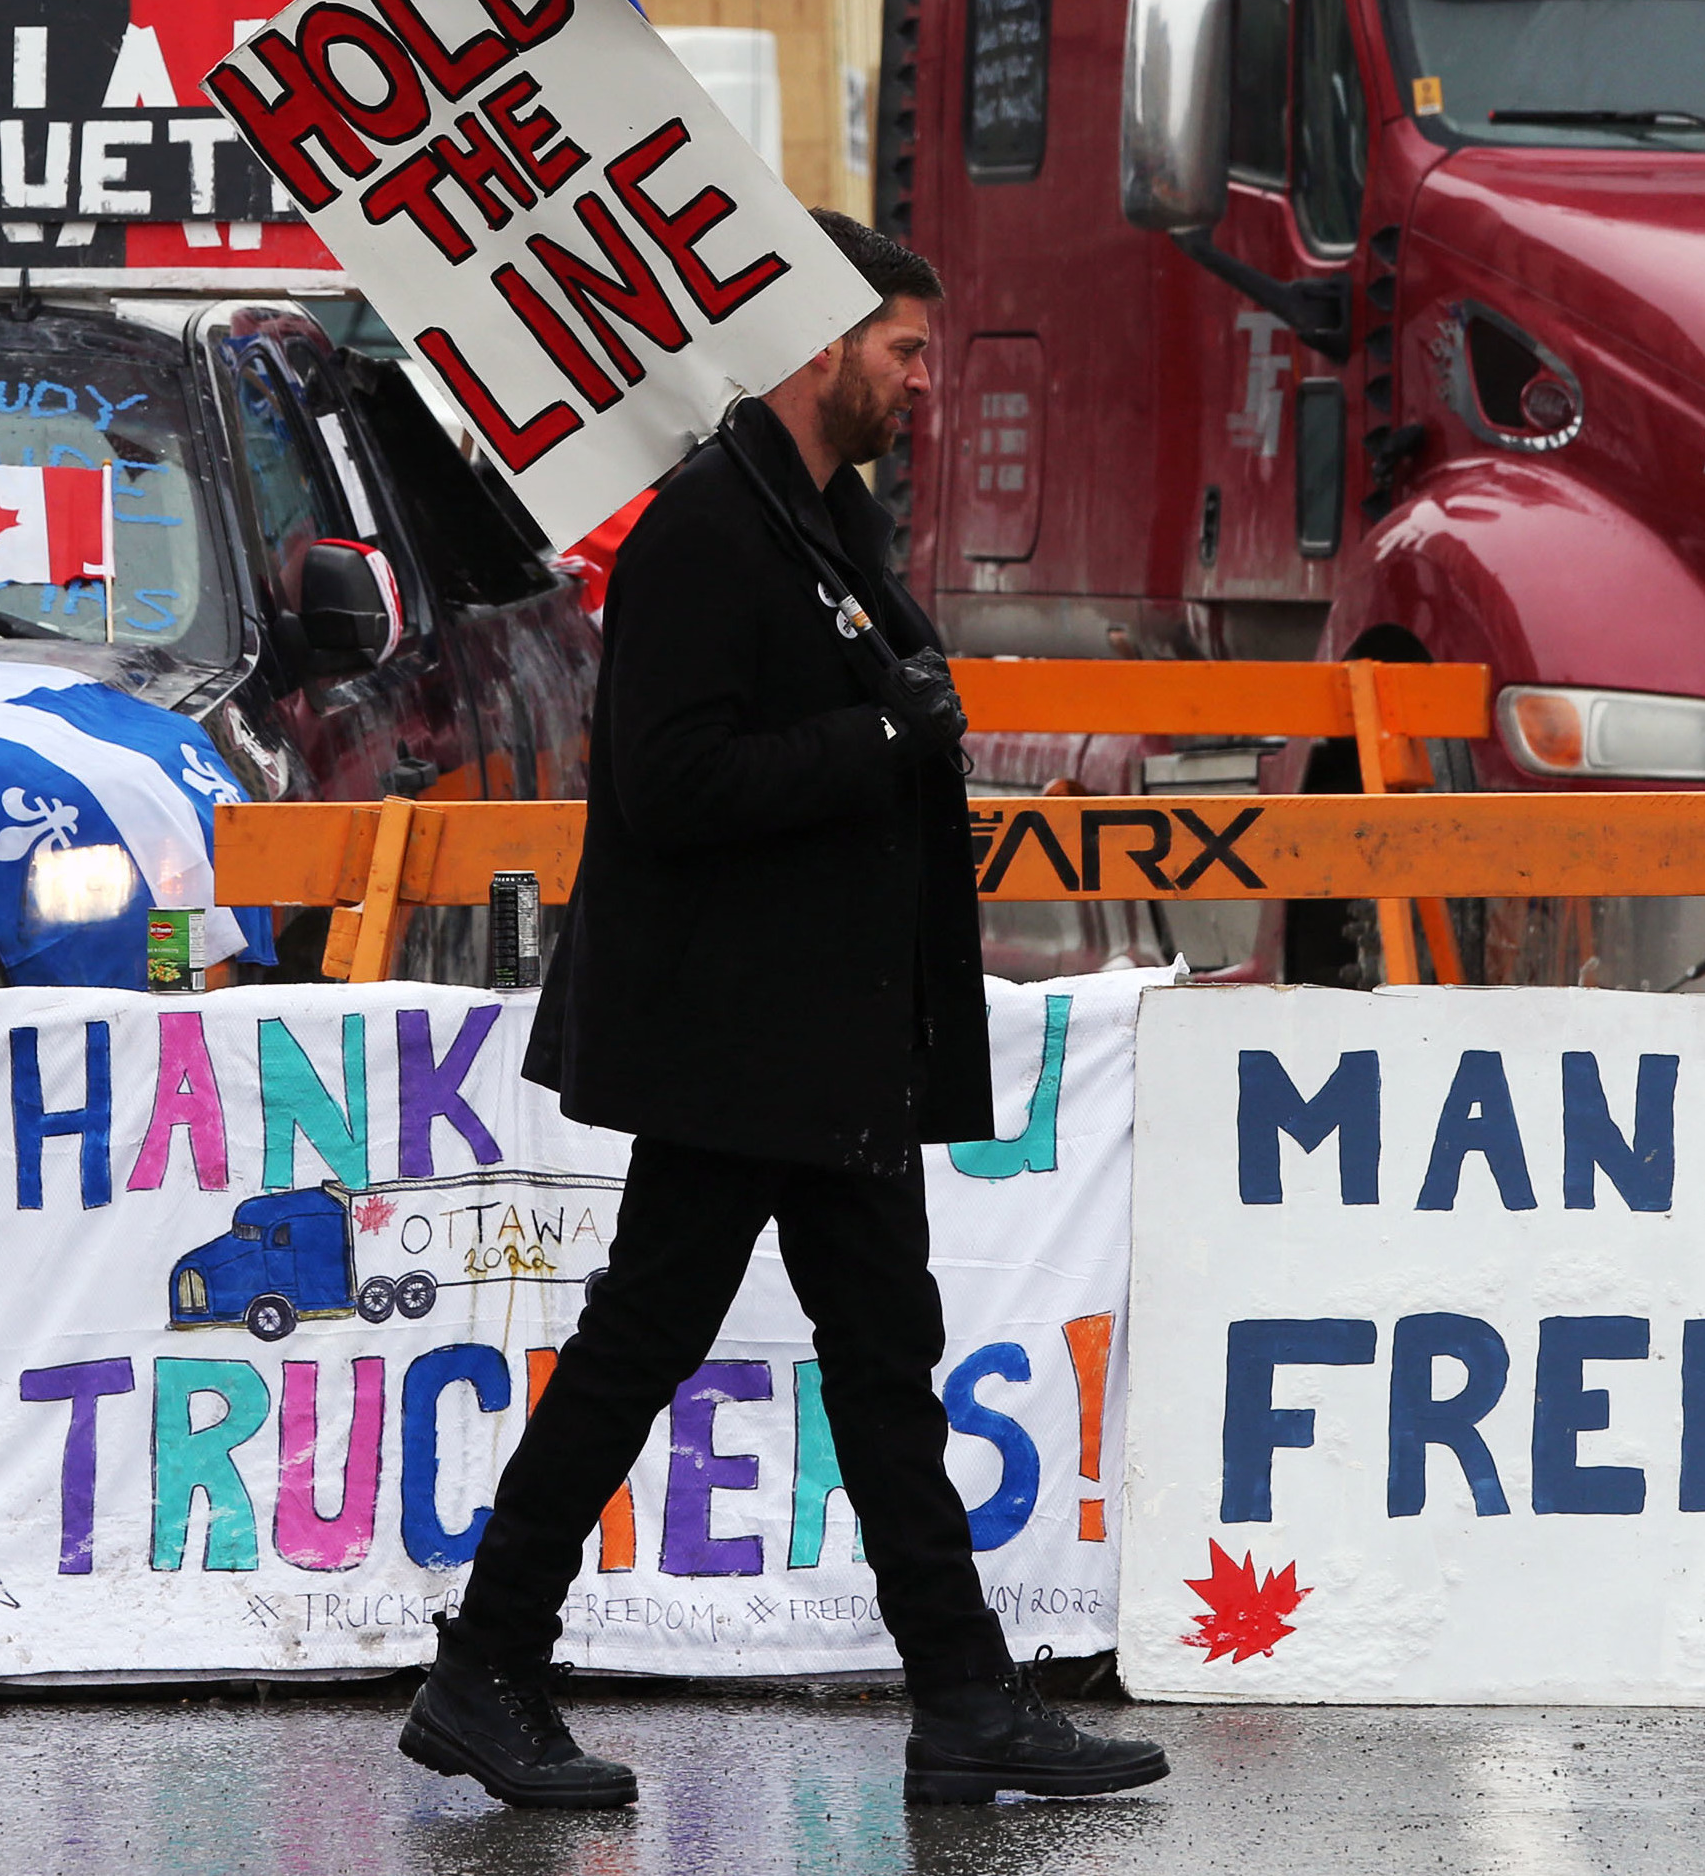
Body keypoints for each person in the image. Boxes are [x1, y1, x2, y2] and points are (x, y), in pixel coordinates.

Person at [400, 211, 1168, 1813]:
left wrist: (897, 741)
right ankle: (485, 1669)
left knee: (886, 1356)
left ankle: (964, 1702)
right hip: (735, 1043)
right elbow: (670, 786)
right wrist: (882, 743)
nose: (923, 380)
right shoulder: (706, 531)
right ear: (817, 344)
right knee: (645, 1338)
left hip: (834, 1038)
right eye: (901, 349)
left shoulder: (828, 519)